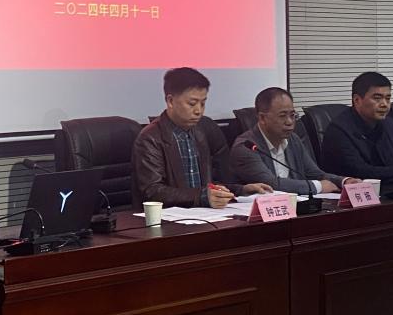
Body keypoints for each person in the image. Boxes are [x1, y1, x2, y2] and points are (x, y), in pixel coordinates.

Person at [132, 67, 272, 209]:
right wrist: (201, 197)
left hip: (204, 214)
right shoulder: (150, 138)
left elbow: (212, 184)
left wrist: (241, 190)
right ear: (170, 101)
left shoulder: (205, 129)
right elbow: (153, 191)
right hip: (168, 217)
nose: (198, 110)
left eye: (203, 103)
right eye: (192, 104)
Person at [230, 87, 358, 194]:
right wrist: (318, 186)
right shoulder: (246, 147)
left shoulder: (293, 139)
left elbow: (315, 173)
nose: (290, 122)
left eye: (292, 115)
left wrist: (344, 181)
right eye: (282, 116)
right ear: (262, 118)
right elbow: (270, 184)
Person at [321, 71, 393, 183]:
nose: (384, 104)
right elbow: (359, 172)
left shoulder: (388, 122)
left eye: (388, 98)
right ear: (357, 100)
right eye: (377, 98)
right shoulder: (338, 131)